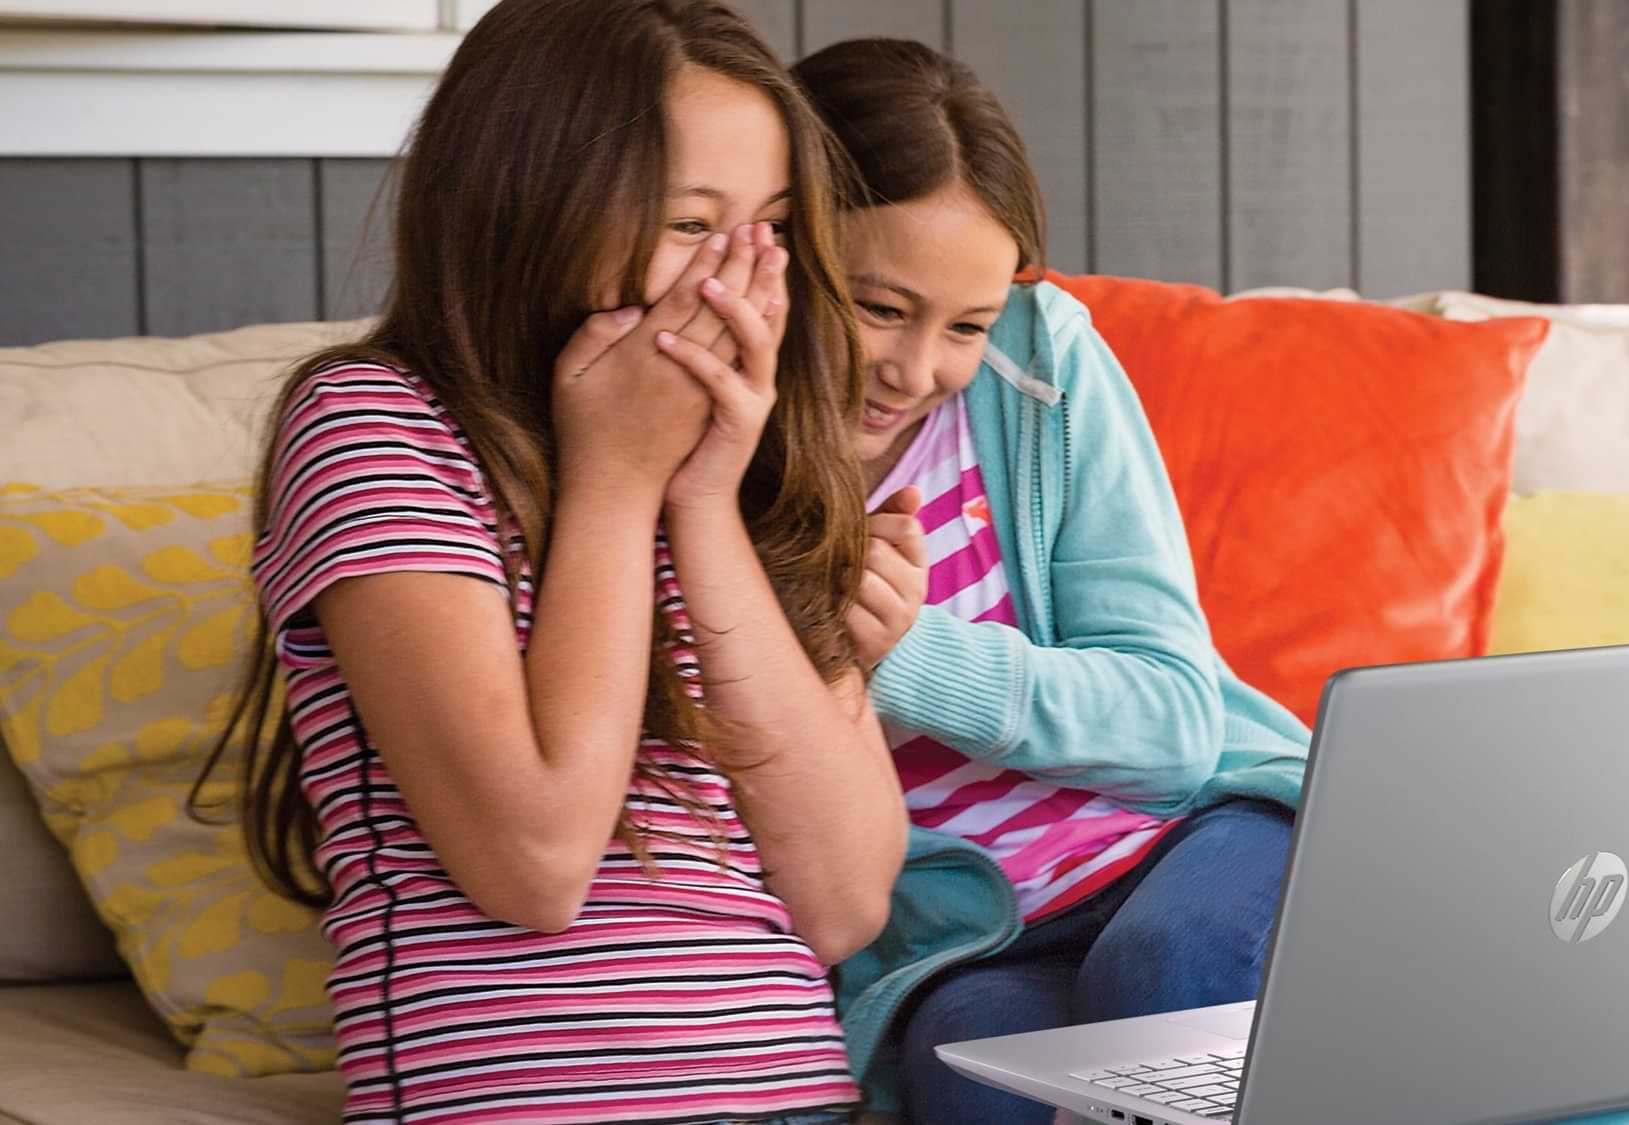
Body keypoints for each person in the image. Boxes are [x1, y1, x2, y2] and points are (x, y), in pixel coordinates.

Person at [192, 3, 906, 1121]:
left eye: (769, 228)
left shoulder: (742, 467)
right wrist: (615, 483)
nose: (736, 279)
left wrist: (701, 501)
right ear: (531, 201)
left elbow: (844, 903)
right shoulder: (375, 426)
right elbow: (535, 862)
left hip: (795, 1092)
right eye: (689, 224)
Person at [793, 38, 1308, 1124]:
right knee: (966, 1068)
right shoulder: (709, 451)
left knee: (1164, 968)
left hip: (1193, 837)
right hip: (980, 930)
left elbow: (1172, 724)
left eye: (964, 325)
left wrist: (910, 655)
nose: (916, 370)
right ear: (788, 247)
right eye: (878, 307)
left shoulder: (1040, 363)